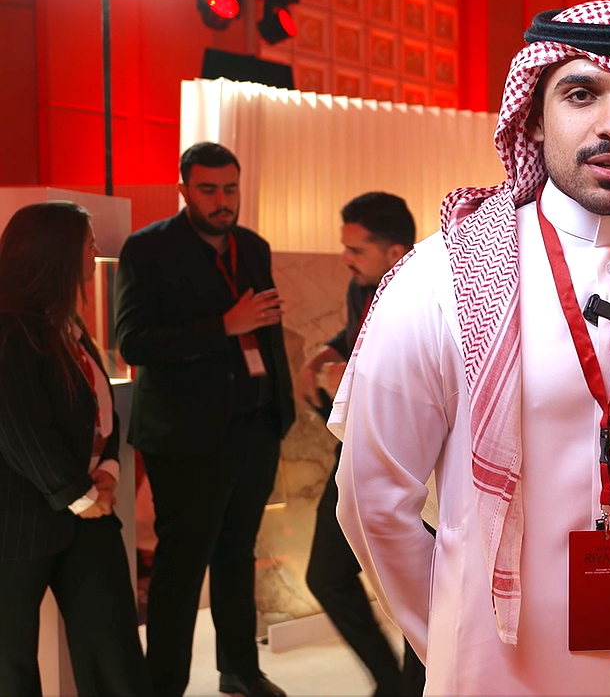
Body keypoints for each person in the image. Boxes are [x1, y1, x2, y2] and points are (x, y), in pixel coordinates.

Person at [328, 0, 610, 694]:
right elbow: (373, 499)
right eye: (581, 94)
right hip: (493, 672)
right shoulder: (443, 277)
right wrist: (456, 632)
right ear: (535, 117)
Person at [115, 142, 295, 697]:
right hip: (186, 436)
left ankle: (239, 669)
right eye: (209, 190)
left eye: (230, 189)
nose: (222, 201)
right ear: (184, 190)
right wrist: (224, 326)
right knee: (181, 565)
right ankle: (164, 684)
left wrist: (279, 412)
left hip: (256, 425)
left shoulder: (252, 246)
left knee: (237, 553)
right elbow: (133, 343)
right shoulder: (148, 249)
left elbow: (265, 330)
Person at [0, 201, 153, 696]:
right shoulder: (10, 329)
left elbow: (97, 409)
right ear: (56, 252)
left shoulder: (66, 322)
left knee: (114, 650)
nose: (96, 251)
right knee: (10, 665)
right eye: (88, 243)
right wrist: (81, 495)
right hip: (18, 524)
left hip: (87, 509)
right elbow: (20, 428)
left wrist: (107, 469)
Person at [296, 192, 426, 697]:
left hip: (416, 470)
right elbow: (355, 334)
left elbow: (426, 384)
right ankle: (389, 683)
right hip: (354, 455)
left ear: (394, 253)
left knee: (418, 588)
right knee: (325, 575)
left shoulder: (430, 294)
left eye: (356, 250)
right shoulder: (360, 286)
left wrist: (351, 377)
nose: (344, 259)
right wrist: (324, 355)